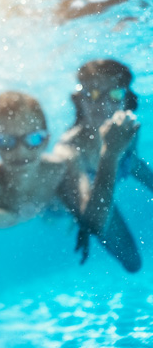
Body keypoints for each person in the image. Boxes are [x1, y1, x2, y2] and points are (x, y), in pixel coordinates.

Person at [0, 88, 143, 326]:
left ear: (46, 139)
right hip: (44, 207)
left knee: (133, 263)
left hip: (59, 205)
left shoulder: (61, 167)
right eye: (6, 141)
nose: (21, 152)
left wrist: (110, 155)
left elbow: (95, 221)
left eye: (33, 139)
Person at [54, 58, 152, 269]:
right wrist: (84, 222)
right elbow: (94, 220)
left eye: (115, 94)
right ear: (80, 99)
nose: (104, 104)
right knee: (132, 263)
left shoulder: (127, 130)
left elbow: (134, 164)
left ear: (127, 100)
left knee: (134, 264)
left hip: (98, 199)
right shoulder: (69, 149)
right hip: (60, 207)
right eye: (94, 94)